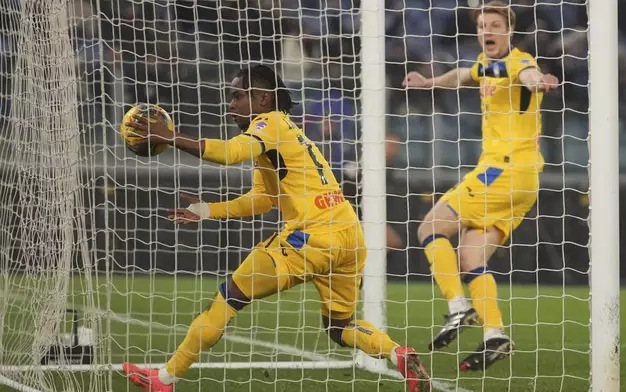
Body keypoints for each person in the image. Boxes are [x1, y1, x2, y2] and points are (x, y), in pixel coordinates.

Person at [122, 64, 431, 392]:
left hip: (310, 237)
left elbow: (229, 153)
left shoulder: (268, 124)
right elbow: (263, 199)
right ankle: (398, 354)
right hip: (348, 236)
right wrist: (207, 210)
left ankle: (165, 378)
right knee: (339, 326)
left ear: (263, 99)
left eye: (238, 96)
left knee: (227, 299)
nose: (231, 104)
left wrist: (172, 137)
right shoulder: (282, 133)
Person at [402, 1, 558, 371]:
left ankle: (458, 307)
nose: (486, 30)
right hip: (523, 183)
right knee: (470, 258)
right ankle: (494, 335)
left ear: (508, 30)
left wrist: (541, 81)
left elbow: (530, 76)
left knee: (430, 227)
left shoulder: (519, 61)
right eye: (481, 25)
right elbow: (461, 75)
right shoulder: (487, 65)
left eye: (493, 24)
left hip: (501, 172)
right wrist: (429, 82)